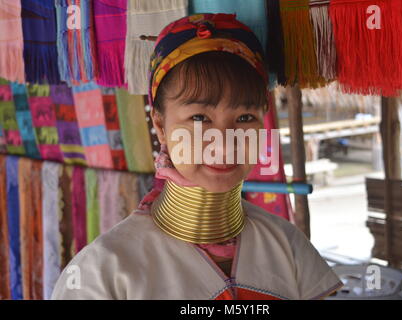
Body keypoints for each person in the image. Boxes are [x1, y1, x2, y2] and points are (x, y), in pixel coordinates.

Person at [51, 13, 343, 300]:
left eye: (244, 117)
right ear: (161, 125)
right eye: (200, 117)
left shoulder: (287, 245)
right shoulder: (102, 273)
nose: (226, 145)